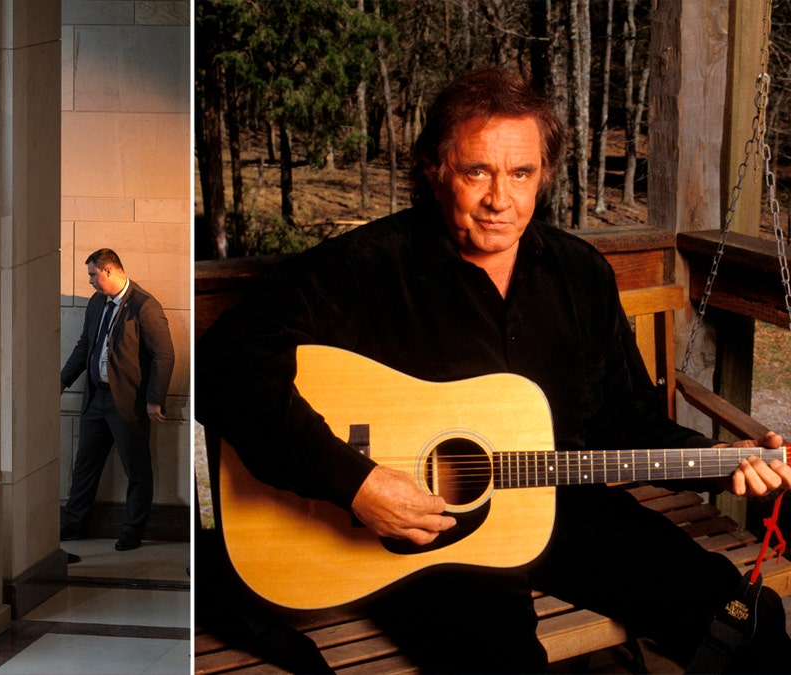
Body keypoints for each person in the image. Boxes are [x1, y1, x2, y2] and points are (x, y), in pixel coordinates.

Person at [196, 66, 791, 673]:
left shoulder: (580, 273)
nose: (499, 199)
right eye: (476, 170)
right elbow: (227, 364)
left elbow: (626, 418)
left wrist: (722, 465)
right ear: (435, 170)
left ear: (544, 177)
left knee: (745, 621)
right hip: (425, 537)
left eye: (521, 173)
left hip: (565, 507)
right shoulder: (365, 268)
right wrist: (355, 483)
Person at [60, 249, 176, 551]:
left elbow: (164, 356)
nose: (90, 282)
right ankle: (73, 525)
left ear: (109, 270)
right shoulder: (97, 304)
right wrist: (61, 381)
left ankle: (132, 531)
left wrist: (154, 400)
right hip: (95, 399)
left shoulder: (145, 306)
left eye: (92, 275)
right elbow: (85, 344)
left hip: (128, 403)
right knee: (84, 465)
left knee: (136, 469)